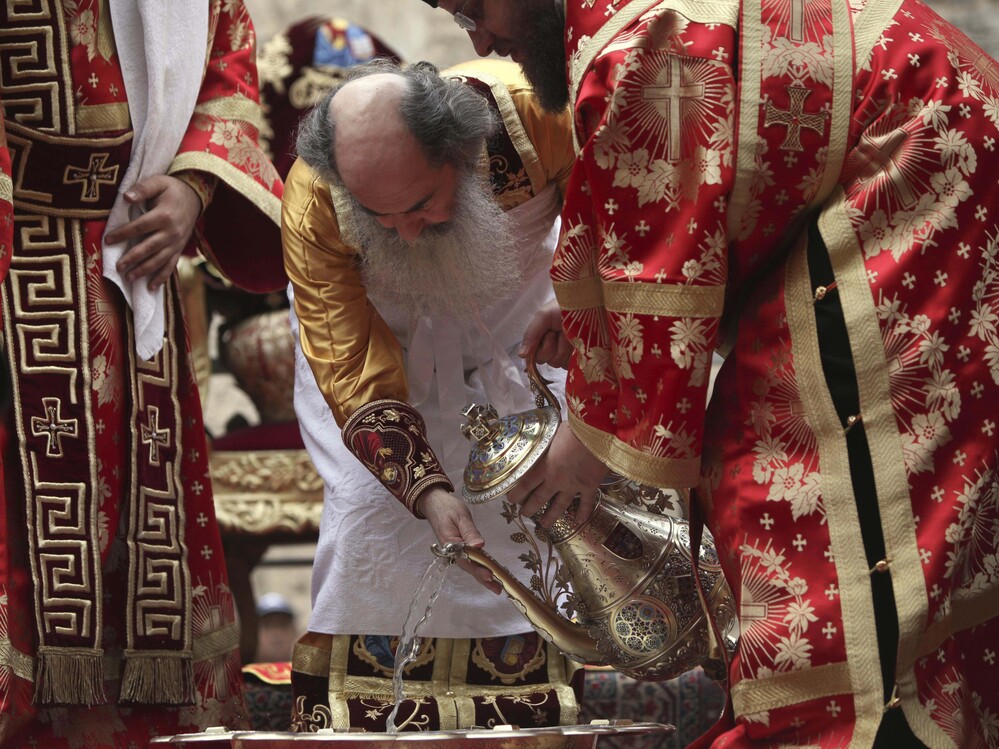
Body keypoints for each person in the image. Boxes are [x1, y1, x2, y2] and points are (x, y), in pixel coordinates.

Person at [424, 0, 999, 747]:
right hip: (908, 140)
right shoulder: (617, 27)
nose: (478, 38)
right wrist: (588, 324)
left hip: (914, 161)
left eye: (477, 10)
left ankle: (845, 718)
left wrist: (589, 440)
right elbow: (664, 209)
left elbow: (664, 263)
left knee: (791, 465)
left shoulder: (638, 37)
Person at [0, 1, 286, 745]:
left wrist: (194, 186)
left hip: (134, 265)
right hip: (15, 256)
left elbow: (228, 66)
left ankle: (137, 724)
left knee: (140, 509)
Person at [283, 57, 582, 732]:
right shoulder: (314, 196)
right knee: (369, 536)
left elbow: (622, 208)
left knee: (534, 539)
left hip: (528, 346)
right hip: (383, 386)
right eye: (378, 216)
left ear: (462, 155)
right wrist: (426, 489)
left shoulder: (531, 119)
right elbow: (347, 356)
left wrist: (584, 297)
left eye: (420, 204)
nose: (406, 231)